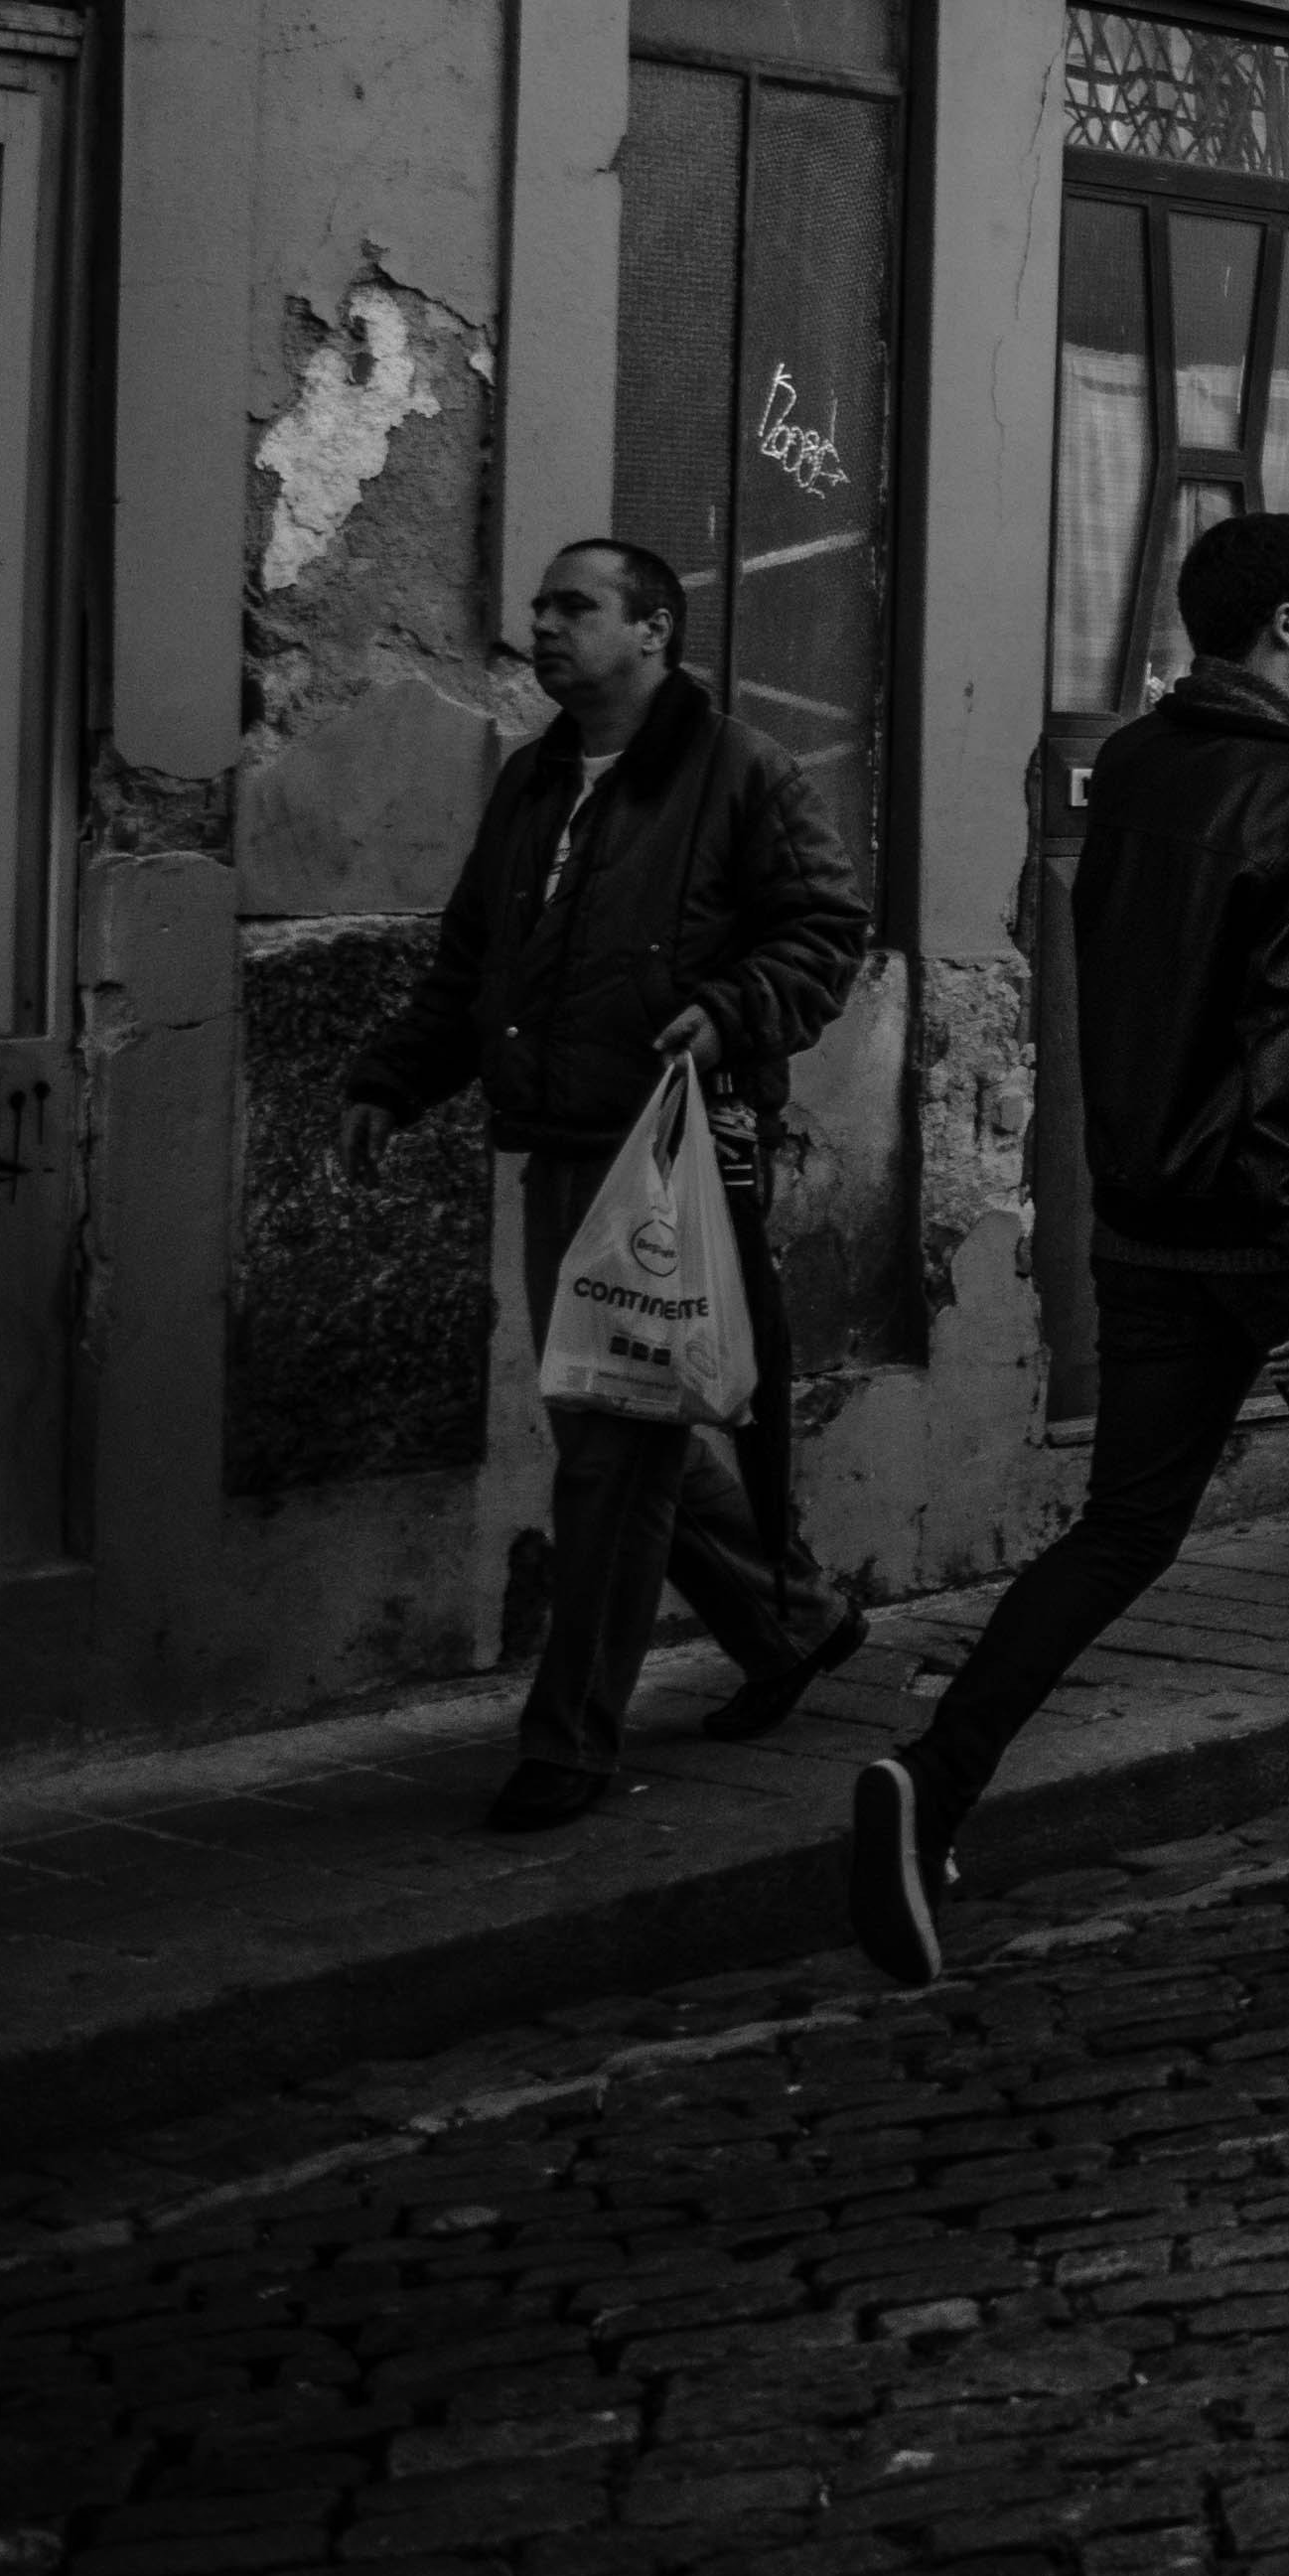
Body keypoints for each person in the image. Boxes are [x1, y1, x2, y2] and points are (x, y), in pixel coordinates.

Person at [849, 513, 1289, 1986]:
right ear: (1284, 624)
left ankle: (934, 1777)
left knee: (1127, 1527)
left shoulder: (1140, 772)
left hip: (1150, 1222)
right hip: (1278, 1235)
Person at [342, 541, 869, 1830]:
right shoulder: (532, 783)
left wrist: (728, 1011)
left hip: (669, 1158)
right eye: (539, 606)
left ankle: (571, 1742)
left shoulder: (741, 770)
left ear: (654, 631)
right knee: (611, 1427)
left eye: (575, 607)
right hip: (560, 1150)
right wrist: (388, 1082)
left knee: (612, 1458)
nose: (544, 625)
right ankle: (791, 1620)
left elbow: (824, 932)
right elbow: (472, 965)